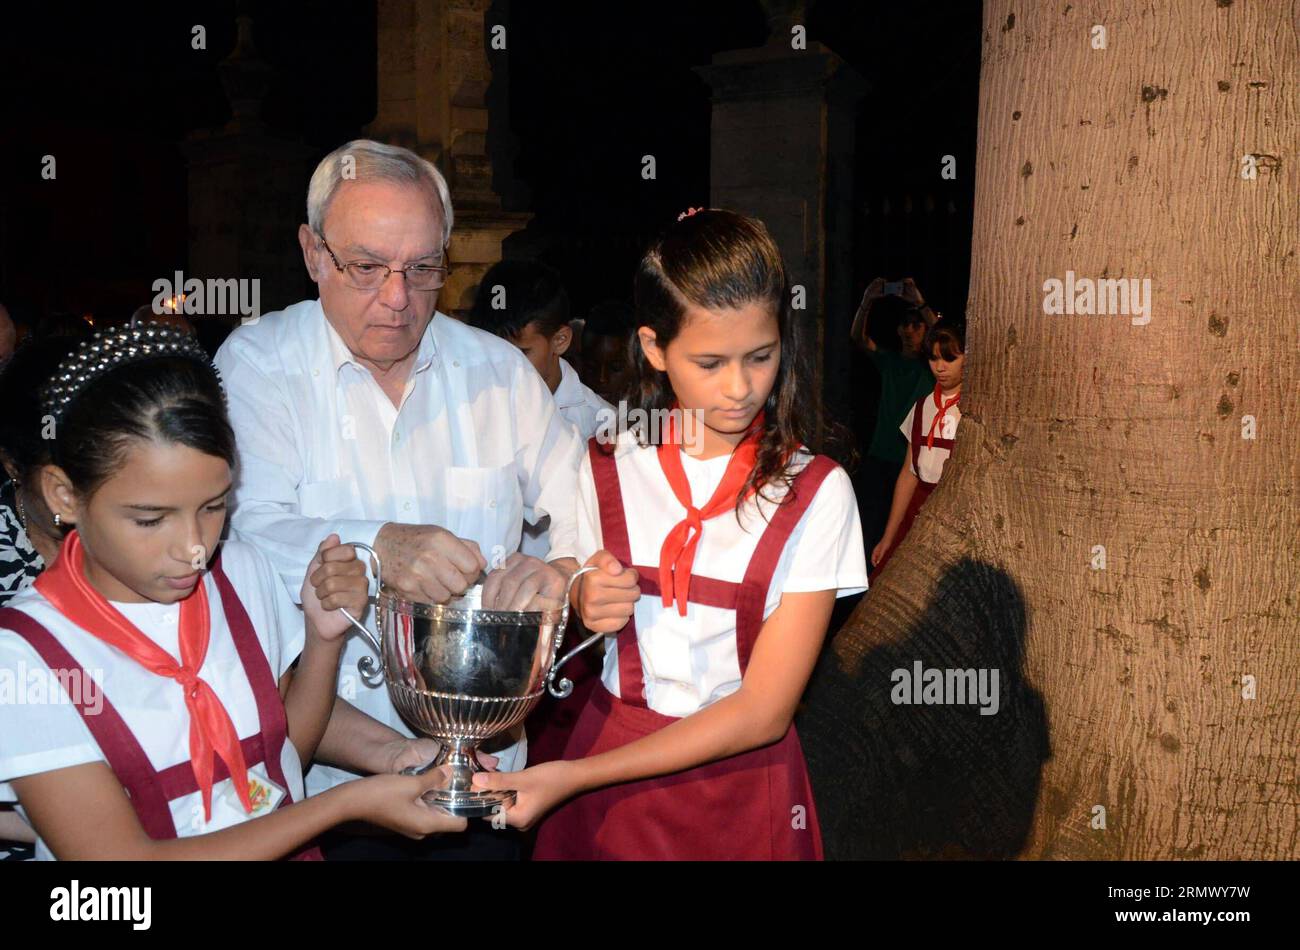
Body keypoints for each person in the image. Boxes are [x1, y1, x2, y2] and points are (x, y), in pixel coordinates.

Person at [213, 139, 585, 860]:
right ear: (313, 253)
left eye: (422, 270)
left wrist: (561, 574)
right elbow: (245, 539)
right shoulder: (258, 365)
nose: (397, 297)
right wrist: (379, 544)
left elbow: (578, 512)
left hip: (485, 779)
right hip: (329, 788)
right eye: (367, 267)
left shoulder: (500, 374)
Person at [472, 208, 870, 859]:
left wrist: (571, 775)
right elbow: (573, 592)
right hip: (611, 798)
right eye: (710, 362)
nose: (741, 388)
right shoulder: (604, 464)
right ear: (655, 348)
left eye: (761, 357)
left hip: (739, 793)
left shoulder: (817, 493)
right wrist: (581, 597)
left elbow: (764, 711)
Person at [0, 323, 467, 859]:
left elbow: (284, 752)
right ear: (63, 493)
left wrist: (322, 640)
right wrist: (345, 804)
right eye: (151, 520)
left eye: (214, 506)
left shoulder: (240, 571)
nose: (193, 547)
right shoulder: (28, 655)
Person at [469, 259, 613, 559]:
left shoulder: (604, 426)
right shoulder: (465, 411)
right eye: (491, 350)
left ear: (559, 340)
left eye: (520, 353)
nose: (503, 366)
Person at [849, 279, 938, 567]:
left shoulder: (932, 366)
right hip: (880, 459)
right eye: (905, 325)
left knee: (904, 534)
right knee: (870, 531)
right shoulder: (889, 361)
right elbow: (859, 339)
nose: (910, 331)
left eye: (917, 325)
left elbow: (946, 340)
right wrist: (867, 301)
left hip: (911, 466)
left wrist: (921, 302)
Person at [870, 317, 966, 576]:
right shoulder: (923, 406)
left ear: (967, 358)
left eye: (949, 358)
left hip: (955, 510)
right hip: (918, 505)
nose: (940, 367)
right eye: (934, 359)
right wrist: (888, 536)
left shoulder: (974, 409)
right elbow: (909, 473)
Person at [580, 299, 635, 406]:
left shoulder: (661, 417)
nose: (602, 378)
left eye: (616, 368)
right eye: (591, 367)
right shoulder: (564, 415)